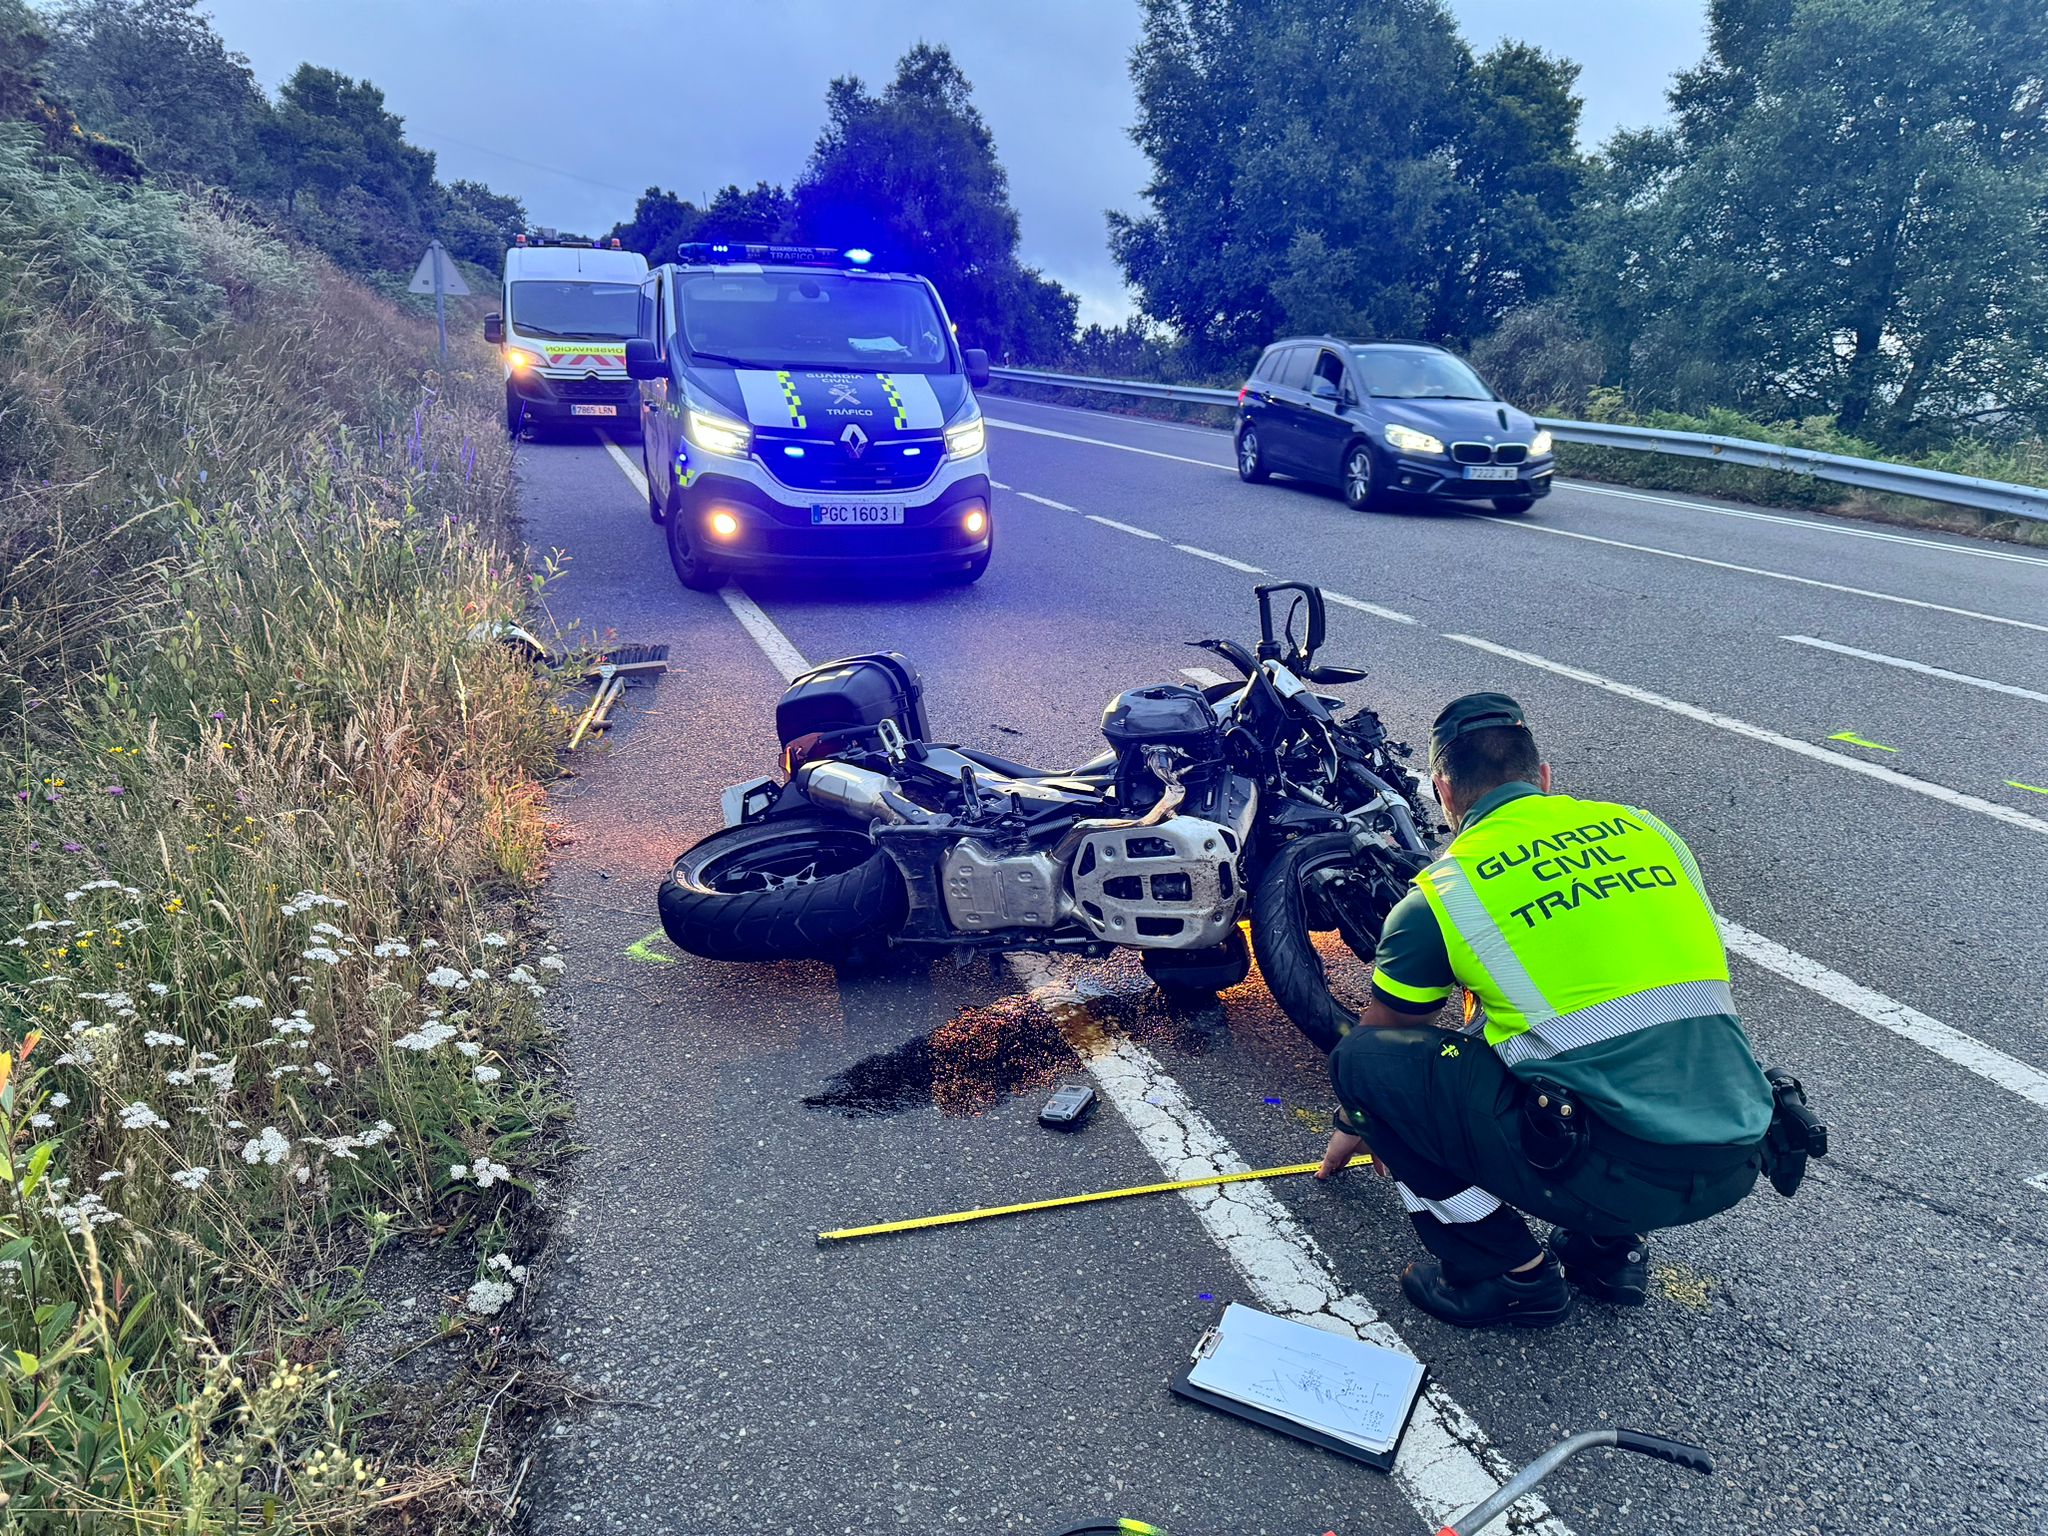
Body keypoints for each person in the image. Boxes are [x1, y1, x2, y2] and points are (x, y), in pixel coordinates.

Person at [1317, 691, 1776, 1328]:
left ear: (1444, 793)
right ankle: (1606, 1252)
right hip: (1737, 1144)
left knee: (1364, 1061)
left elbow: (1385, 1045)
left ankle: (1510, 1276)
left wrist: (1361, 1114)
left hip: (1619, 1166)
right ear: (1544, 777)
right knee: (1589, 1034)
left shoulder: (1446, 895)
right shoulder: (1651, 832)